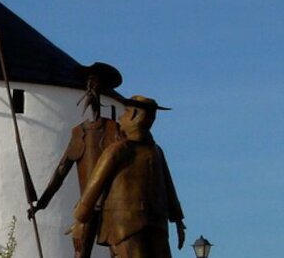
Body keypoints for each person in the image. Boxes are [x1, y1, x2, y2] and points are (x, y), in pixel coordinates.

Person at [28, 62, 124, 258]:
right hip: (86, 206)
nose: (91, 87)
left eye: (95, 83)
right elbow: (61, 171)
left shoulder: (115, 130)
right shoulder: (79, 133)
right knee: (80, 252)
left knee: (118, 250)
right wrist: (41, 203)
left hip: (111, 203)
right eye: (88, 82)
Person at [73, 95, 185, 258]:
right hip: (141, 224)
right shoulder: (149, 151)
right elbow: (169, 187)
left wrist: (80, 221)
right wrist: (177, 220)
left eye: (125, 112)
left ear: (133, 115)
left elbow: (93, 189)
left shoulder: (123, 150)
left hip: (135, 224)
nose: (120, 117)